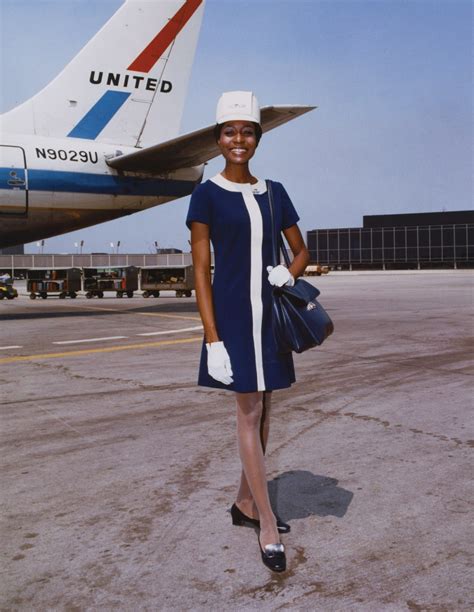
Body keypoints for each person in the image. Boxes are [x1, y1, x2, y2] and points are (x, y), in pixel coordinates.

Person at [186, 91, 310, 573]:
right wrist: (212, 337)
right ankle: (265, 523)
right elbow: (200, 271)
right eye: (230, 131)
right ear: (218, 139)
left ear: (258, 138)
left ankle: (243, 501)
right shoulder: (207, 193)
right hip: (234, 319)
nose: (239, 139)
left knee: (265, 413)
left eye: (248, 131)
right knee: (249, 409)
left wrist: (290, 272)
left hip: (271, 318)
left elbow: (299, 249)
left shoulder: (275, 192)